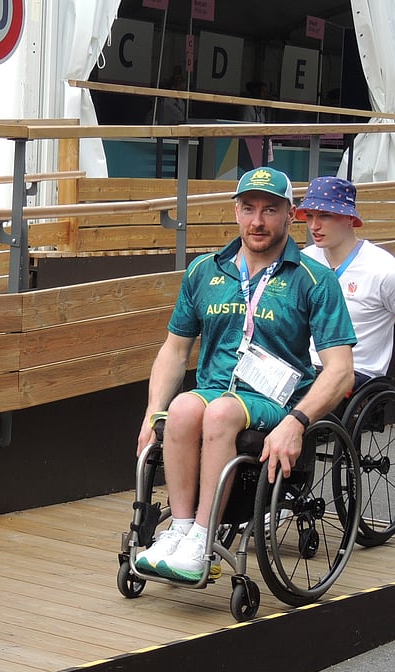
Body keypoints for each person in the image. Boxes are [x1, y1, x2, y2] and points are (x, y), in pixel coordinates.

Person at [133, 167, 357, 582]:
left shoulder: (314, 279)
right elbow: (174, 349)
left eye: (271, 210)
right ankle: (180, 531)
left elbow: (342, 372)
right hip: (216, 390)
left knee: (219, 413)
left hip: (274, 401)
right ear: (235, 212)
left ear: (291, 215)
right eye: (249, 208)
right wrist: (152, 411)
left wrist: (296, 422)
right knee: (181, 408)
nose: (258, 221)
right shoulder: (205, 271)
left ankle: (203, 540)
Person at [297, 176, 395, 456]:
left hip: (356, 376)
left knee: (292, 407)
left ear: (349, 219)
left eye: (325, 216)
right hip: (302, 368)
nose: (314, 226)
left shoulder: (387, 273)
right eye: (310, 216)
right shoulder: (303, 262)